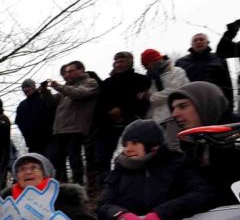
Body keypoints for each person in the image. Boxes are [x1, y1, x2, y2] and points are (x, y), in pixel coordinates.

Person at [97, 119, 214, 220]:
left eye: (135, 143)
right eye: (125, 144)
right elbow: (103, 205)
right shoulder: (119, 171)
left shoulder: (177, 163)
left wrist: (161, 215)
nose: (128, 149)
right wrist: (121, 217)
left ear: (153, 145)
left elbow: (202, 194)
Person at [167, 82, 240, 207]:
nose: (174, 114)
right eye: (173, 108)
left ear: (207, 105)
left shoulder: (235, 138)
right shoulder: (191, 146)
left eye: (183, 106)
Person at [0, 152, 94, 220]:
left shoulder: (67, 197)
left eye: (34, 168)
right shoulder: (5, 203)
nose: (28, 172)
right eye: (22, 169)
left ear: (45, 173)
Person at [88, 52, 149, 193]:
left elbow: (142, 101)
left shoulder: (141, 80)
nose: (119, 64)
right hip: (106, 126)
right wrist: (109, 112)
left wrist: (123, 112)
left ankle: (133, 185)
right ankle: (105, 187)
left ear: (130, 62)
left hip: (132, 123)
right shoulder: (107, 82)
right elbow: (100, 103)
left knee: (132, 155)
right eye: (116, 62)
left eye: (122, 61)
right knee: (102, 157)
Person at [49, 60, 99, 185]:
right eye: (66, 72)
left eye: (71, 71)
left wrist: (59, 86)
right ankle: (62, 186)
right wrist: (45, 92)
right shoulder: (66, 87)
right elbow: (52, 102)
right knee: (58, 160)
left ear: (81, 70)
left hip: (76, 128)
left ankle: (78, 185)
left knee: (74, 158)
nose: (67, 75)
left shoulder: (90, 82)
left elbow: (78, 94)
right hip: (60, 129)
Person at [140, 48, 189, 147]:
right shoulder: (150, 79)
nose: (146, 68)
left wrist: (151, 97)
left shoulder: (177, 72)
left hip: (175, 118)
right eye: (144, 66)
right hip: (157, 121)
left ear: (155, 61)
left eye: (147, 65)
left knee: (173, 146)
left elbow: (174, 91)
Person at [175, 32, 233, 109]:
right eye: (195, 40)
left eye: (202, 40)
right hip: (191, 104)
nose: (198, 42)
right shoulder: (181, 62)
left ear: (207, 43)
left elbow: (227, 84)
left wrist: (230, 106)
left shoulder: (219, 59)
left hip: (215, 103)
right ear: (191, 44)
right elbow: (177, 86)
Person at [15, 79, 56, 156]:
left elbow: (52, 109)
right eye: (23, 87)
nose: (25, 89)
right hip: (32, 143)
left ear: (33, 87)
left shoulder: (43, 99)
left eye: (27, 86)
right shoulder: (22, 105)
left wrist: (45, 91)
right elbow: (18, 121)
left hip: (49, 140)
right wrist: (27, 135)